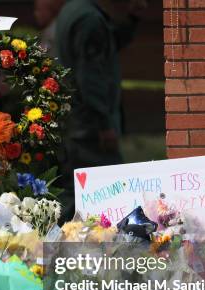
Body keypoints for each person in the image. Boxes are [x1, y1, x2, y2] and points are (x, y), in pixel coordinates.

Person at [56, 0, 146, 220]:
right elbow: (90, 76)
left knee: (75, 191)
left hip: (78, 125)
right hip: (89, 130)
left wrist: (131, 18)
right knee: (110, 193)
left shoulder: (76, 10)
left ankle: (61, 246)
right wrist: (104, 124)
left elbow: (109, 43)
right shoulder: (90, 20)